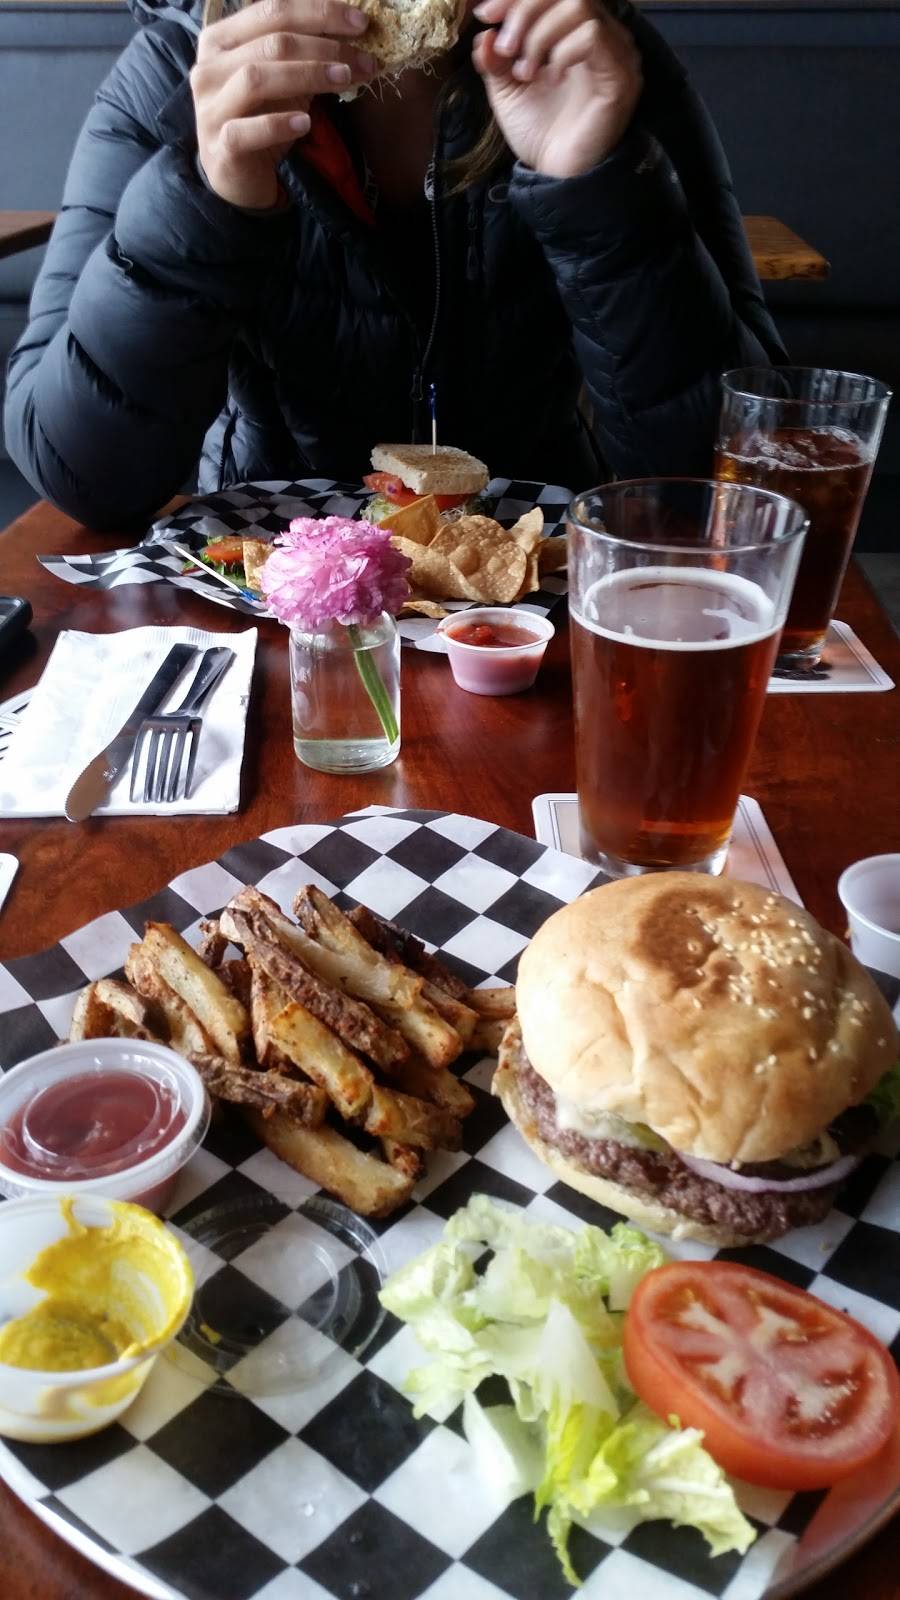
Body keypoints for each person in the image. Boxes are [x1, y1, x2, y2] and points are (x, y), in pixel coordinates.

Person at [4, 0, 784, 533]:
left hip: (536, 590)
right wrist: (207, 199)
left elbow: (744, 480)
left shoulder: (596, 57)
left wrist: (600, 189)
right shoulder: (180, 69)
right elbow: (81, 474)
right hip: (260, 581)